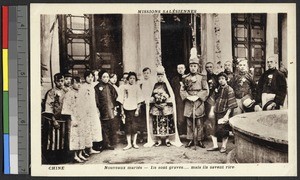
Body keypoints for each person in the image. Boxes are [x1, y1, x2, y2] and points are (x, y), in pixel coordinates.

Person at [148, 66, 182, 147]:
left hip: (165, 106)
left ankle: (167, 139)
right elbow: (151, 95)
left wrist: (165, 99)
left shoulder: (166, 85)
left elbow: (171, 96)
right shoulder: (154, 85)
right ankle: (158, 139)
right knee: (157, 121)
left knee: (167, 122)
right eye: (158, 76)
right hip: (156, 106)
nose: (160, 78)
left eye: (161, 76)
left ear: (164, 76)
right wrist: (155, 99)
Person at [180, 57, 209, 149]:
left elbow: (206, 90)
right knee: (189, 122)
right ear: (189, 67)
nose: (193, 68)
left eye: (194, 66)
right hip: (189, 101)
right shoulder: (185, 77)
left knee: (199, 122)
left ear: (198, 67)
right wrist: (188, 96)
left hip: (198, 101)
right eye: (191, 66)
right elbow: (182, 89)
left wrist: (198, 96)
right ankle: (190, 139)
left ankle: (199, 140)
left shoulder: (202, 77)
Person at [206, 72, 238, 153]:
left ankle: (223, 146)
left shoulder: (230, 90)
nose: (221, 81)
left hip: (225, 112)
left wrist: (227, 115)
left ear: (226, 79)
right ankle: (215, 145)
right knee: (212, 127)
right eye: (219, 79)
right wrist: (211, 111)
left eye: (223, 79)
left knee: (223, 129)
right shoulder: (218, 89)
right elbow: (213, 100)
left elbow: (231, 104)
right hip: (216, 111)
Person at [42, 73, 67, 163]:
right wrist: (53, 120)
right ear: (55, 82)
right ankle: (52, 159)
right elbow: (49, 106)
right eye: (58, 81)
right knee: (53, 140)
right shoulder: (51, 92)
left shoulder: (65, 91)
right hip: (54, 119)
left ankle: (62, 157)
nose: (60, 83)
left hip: (63, 119)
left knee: (62, 139)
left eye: (62, 81)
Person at [61, 76, 87, 163]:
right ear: (72, 84)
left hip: (82, 117)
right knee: (75, 136)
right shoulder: (69, 94)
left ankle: (80, 153)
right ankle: (75, 155)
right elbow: (67, 107)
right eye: (76, 83)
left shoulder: (81, 93)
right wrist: (72, 118)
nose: (79, 84)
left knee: (82, 135)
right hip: (74, 117)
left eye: (80, 82)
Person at [117, 72, 144, 150]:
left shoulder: (137, 87)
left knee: (134, 127)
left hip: (134, 109)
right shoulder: (124, 87)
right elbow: (121, 100)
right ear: (128, 79)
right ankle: (129, 144)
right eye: (130, 78)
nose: (132, 80)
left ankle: (134, 143)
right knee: (127, 127)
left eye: (133, 78)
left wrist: (137, 110)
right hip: (126, 109)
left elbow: (139, 100)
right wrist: (122, 111)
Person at [94, 71, 118, 150]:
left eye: (107, 77)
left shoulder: (110, 87)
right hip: (103, 110)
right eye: (104, 77)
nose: (106, 79)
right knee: (104, 127)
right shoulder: (97, 87)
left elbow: (115, 96)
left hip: (110, 109)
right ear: (100, 78)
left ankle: (111, 142)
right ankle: (105, 143)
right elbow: (96, 99)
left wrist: (114, 106)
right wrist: (99, 108)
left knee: (111, 126)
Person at [80, 71, 102, 154]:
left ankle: (91, 148)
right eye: (88, 77)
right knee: (87, 128)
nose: (90, 78)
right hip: (86, 110)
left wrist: (96, 108)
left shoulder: (93, 86)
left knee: (93, 128)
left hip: (93, 109)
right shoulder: (82, 87)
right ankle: (85, 148)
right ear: (85, 78)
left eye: (91, 77)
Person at [139, 67, 155, 143]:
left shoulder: (152, 83)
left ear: (150, 74)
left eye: (147, 73)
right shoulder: (141, 83)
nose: (146, 75)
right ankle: (142, 136)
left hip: (151, 103)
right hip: (143, 103)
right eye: (144, 73)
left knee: (151, 119)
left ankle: (151, 135)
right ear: (143, 74)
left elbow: (153, 93)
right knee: (143, 120)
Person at [170, 64, 186, 136]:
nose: (180, 70)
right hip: (178, 100)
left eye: (182, 68)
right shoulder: (174, 79)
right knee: (179, 117)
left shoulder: (188, 78)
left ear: (185, 69)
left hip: (186, 100)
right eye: (179, 68)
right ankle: (179, 134)